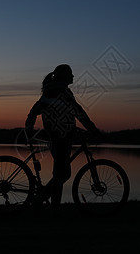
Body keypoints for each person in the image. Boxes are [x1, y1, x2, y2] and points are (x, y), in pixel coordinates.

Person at [25, 64, 99, 209]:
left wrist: (29, 127)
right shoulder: (57, 92)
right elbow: (79, 112)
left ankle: (50, 204)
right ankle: (43, 200)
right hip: (60, 138)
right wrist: (93, 129)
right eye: (70, 74)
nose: (73, 76)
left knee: (60, 173)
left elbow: (70, 113)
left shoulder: (59, 91)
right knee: (62, 174)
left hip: (61, 136)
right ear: (64, 76)